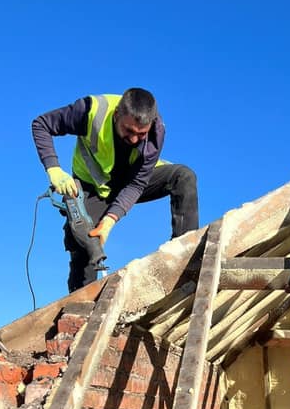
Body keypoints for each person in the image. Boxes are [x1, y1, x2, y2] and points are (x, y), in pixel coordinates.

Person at [32, 88, 199, 291]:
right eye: (128, 131)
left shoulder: (156, 132)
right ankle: (81, 302)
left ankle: (186, 257)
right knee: (84, 239)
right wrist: (54, 169)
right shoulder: (90, 111)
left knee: (184, 177)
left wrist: (110, 221)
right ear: (117, 114)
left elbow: (137, 184)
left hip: (130, 182)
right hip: (93, 186)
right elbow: (42, 124)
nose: (135, 139)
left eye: (141, 134)